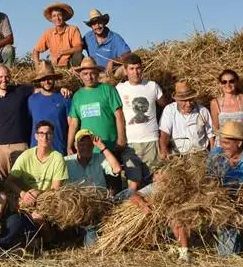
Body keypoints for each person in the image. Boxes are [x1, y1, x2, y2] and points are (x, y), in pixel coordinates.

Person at [207, 121, 243, 257]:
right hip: (224, 199)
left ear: (239, 143)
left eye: (227, 143)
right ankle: (233, 242)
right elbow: (208, 180)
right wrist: (220, 194)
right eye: (221, 142)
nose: (223, 146)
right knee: (225, 255)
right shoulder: (215, 154)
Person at [64, 128, 124, 246]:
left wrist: (103, 148)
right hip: (80, 207)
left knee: (130, 193)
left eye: (89, 143)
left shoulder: (100, 158)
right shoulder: (66, 162)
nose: (86, 147)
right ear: (75, 145)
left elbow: (117, 168)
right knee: (92, 229)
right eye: (82, 143)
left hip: (101, 203)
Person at [116, 54, 168, 186]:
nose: (135, 72)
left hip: (152, 140)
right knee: (134, 184)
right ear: (126, 70)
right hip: (131, 144)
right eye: (131, 68)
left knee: (156, 181)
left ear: (142, 68)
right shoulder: (120, 89)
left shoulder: (152, 86)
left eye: (138, 68)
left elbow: (165, 107)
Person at [67, 57, 126, 168]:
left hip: (109, 146)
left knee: (112, 180)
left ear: (98, 73)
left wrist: (121, 139)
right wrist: (69, 146)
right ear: (80, 75)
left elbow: (119, 115)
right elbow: (74, 123)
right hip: (87, 150)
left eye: (92, 73)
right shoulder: (78, 96)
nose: (89, 77)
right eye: (85, 73)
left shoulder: (108, 89)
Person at [0, 65, 35, 180]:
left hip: (19, 145)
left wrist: (61, 89)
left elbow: (42, 88)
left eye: (6, 76)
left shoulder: (20, 91)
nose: (4, 80)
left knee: (22, 180)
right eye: (0, 77)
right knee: (0, 182)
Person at [9, 120, 67, 204]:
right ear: (36, 136)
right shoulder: (26, 155)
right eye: (41, 133)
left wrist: (38, 194)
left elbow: (55, 189)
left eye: (49, 133)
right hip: (26, 200)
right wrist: (23, 194)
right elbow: (9, 181)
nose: (45, 137)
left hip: (48, 200)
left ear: (53, 136)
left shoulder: (58, 158)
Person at [158, 81, 215, 156]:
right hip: (178, 156)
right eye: (184, 101)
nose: (188, 104)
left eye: (191, 100)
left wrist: (213, 154)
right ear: (177, 99)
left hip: (200, 154)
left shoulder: (202, 111)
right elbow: (165, 133)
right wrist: (164, 149)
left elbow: (211, 135)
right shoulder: (169, 110)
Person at [27, 61, 70, 155]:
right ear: (39, 81)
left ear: (54, 79)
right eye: (43, 79)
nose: (47, 82)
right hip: (36, 152)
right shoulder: (32, 100)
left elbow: (71, 124)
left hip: (59, 151)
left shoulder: (64, 98)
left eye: (49, 78)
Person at [81, 8, 132, 77]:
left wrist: (112, 61)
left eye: (100, 23)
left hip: (111, 73)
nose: (97, 26)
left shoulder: (115, 37)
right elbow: (77, 47)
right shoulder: (87, 37)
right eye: (94, 24)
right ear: (91, 26)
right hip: (94, 74)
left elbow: (128, 55)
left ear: (104, 23)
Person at [32, 2, 83, 67]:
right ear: (52, 18)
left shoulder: (73, 29)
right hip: (54, 66)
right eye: (54, 16)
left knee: (79, 56)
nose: (57, 18)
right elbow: (36, 50)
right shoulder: (48, 33)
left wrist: (61, 53)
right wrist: (37, 66)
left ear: (63, 16)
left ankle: (75, 72)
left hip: (70, 64)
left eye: (59, 15)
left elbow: (79, 48)